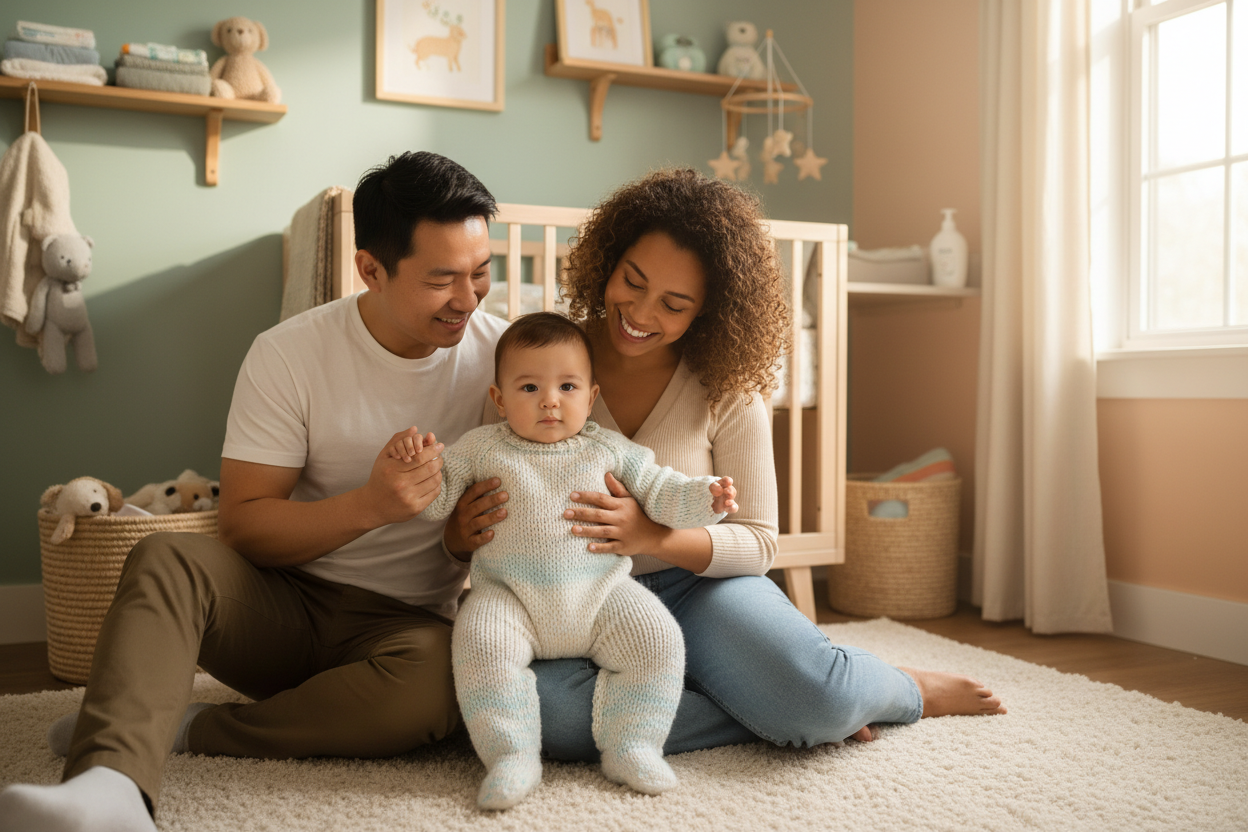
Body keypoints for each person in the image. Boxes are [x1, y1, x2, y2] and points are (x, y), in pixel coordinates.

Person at [0, 151, 509, 832]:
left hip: (403, 631)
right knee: (166, 556)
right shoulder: (289, 353)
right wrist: (370, 506)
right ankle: (110, 783)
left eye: (480, 273)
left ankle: (200, 728)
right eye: (443, 279)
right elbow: (242, 525)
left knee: (447, 684)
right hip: (282, 607)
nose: (469, 299)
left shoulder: (504, 360)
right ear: (371, 270)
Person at [441, 168, 1006, 762]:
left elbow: (758, 542)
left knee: (815, 696)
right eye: (631, 282)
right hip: (570, 602)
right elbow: (476, 521)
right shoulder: (533, 366)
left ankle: (896, 686)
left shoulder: (726, 389)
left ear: (707, 312)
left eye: (674, 304)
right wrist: (457, 536)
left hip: (702, 589)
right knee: (547, 717)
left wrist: (654, 536)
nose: (640, 312)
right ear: (607, 263)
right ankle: (765, 708)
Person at [389, 311, 738, 808]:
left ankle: (633, 744)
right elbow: (436, 501)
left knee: (658, 640)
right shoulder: (482, 448)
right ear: (499, 399)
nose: (550, 400)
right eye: (529, 388)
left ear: (591, 397)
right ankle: (512, 755)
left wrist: (707, 498)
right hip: (510, 599)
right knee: (479, 646)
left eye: (568, 386)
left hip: (601, 595)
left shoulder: (609, 449)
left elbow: (663, 490)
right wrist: (416, 466)